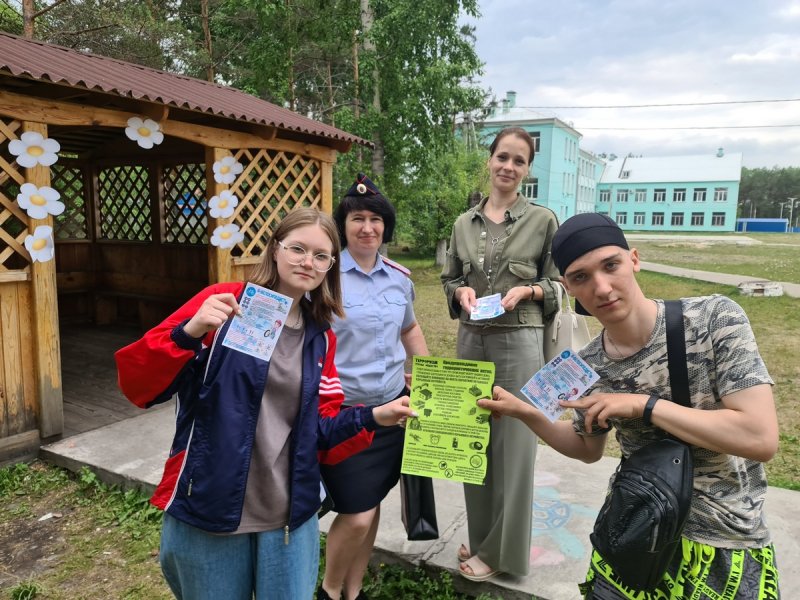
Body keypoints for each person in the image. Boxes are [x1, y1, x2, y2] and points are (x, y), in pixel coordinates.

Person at [114, 207, 416, 600]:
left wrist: (376, 417)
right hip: (210, 504)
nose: (308, 262)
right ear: (275, 249)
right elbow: (139, 384)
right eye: (297, 248)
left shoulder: (320, 336)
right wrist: (189, 333)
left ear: (329, 267)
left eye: (321, 255)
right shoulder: (223, 304)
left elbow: (318, 430)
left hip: (289, 516)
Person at [481, 212, 781, 599]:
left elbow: (760, 437)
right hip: (637, 532)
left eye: (611, 265)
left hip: (724, 543)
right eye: (581, 277)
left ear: (634, 259)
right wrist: (526, 413)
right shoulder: (587, 365)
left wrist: (643, 406)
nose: (602, 288)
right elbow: (587, 449)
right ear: (567, 287)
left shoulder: (713, 319)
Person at [440, 127, 561, 580]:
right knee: (474, 443)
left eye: (520, 160)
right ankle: (485, 536)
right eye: (502, 157)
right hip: (472, 341)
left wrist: (529, 290)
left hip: (519, 343)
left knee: (513, 447)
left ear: (528, 169)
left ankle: (503, 554)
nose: (509, 167)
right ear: (489, 160)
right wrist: (461, 292)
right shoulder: (463, 223)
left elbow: (560, 283)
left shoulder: (543, 221)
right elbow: (449, 280)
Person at [318, 174, 429, 600]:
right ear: (343, 225)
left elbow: (411, 328)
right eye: (358, 218)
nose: (368, 227)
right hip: (345, 416)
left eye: (376, 219)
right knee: (357, 514)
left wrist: (427, 374)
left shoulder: (399, 279)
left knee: (373, 501)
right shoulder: (326, 277)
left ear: (386, 226)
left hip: (393, 412)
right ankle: (329, 591)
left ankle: (354, 589)